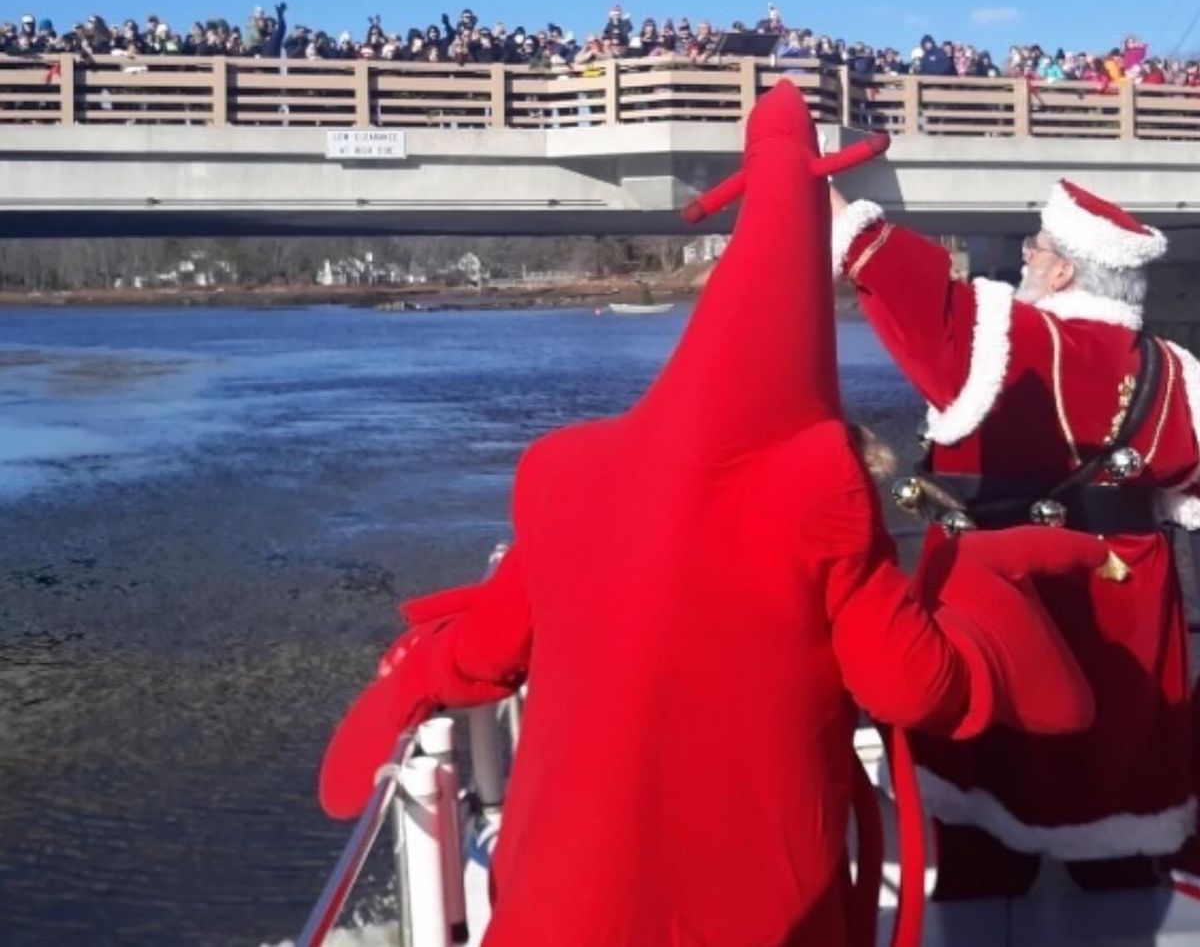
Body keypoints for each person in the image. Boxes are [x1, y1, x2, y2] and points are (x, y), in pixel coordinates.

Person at [318, 82, 1107, 947]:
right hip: (760, 913)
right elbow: (911, 683)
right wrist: (994, 594)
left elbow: (488, 653)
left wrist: (414, 674)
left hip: (558, 914)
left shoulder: (560, 469)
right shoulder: (822, 486)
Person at [830, 176, 1200, 897]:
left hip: (1007, 603)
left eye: (1034, 246)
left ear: (1063, 269)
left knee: (983, 808)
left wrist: (821, 192)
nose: (1024, 256)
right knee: (1114, 799)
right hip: (1129, 615)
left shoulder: (1003, 338)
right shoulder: (1176, 372)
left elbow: (896, 278)